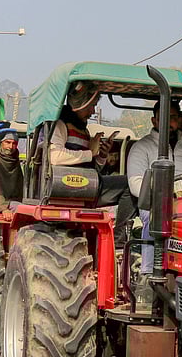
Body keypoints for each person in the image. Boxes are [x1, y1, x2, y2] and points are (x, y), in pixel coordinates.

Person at [127, 99, 182, 273]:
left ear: (179, 120)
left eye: (173, 117)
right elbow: (135, 183)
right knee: (157, 219)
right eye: (164, 117)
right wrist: (163, 195)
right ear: (154, 121)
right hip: (155, 206)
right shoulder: (142, 147)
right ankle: (149, 273)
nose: (169, 122)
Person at [50, 81, 133, 244]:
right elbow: (55, 157)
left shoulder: (84, 131)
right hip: (66, 187)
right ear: (80, 103)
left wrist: (101, 155)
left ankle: (119, 239)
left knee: (131, 183)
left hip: (89, 185)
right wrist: (90, 153)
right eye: (91, 105)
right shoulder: (61, 126)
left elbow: (92, 168)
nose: (93, 111)